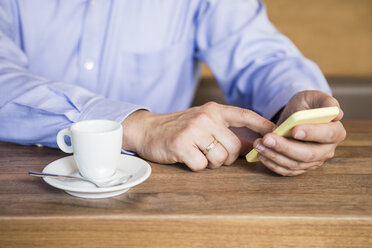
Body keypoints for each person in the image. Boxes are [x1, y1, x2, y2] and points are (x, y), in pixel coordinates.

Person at [0, 0, 346, 176]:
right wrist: (135, 126)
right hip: (22, 185)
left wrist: (294, 100)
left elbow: (259, 56)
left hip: (165, 190)